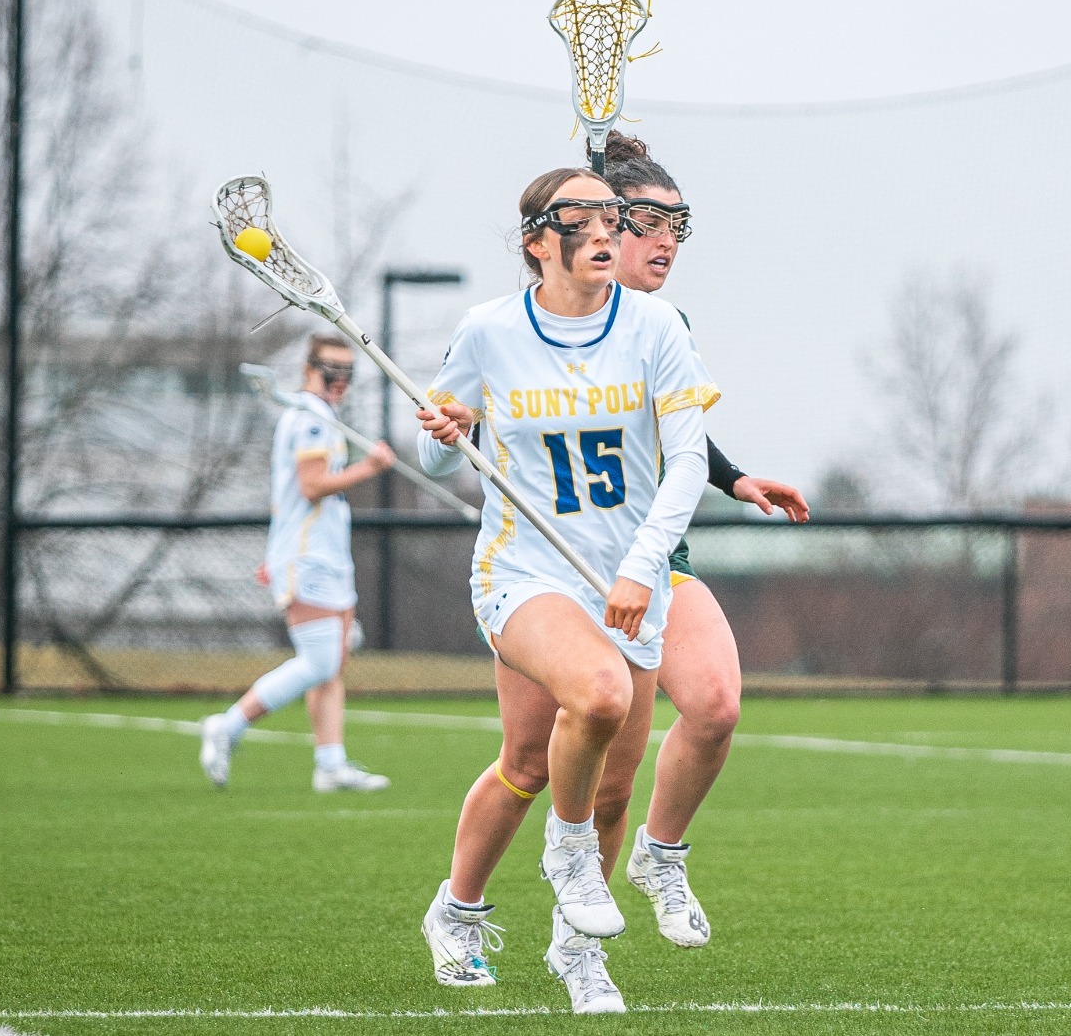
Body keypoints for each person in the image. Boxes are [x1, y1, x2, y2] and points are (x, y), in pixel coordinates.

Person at [488, 132, 808, 957]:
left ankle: (656, 860)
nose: (667, 240)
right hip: (552, 568)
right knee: (526, 765)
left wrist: (733, 479)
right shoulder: (526, 327)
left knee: (715, 706)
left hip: (652, 557)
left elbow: (681, 437)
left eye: (680, 224)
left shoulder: (665, 323)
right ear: (600, 226)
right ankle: (460, 909)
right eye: (649, 221)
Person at [413, 167, 717, 1014]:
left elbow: (689, 460)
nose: (604, 232)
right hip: (524, 573)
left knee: (593, 780)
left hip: (627, 575)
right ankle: (560, 859)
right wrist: (447, 431)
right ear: (537, 242)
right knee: (597, 694)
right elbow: (441, 453)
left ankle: (570, 950)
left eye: (612, 217)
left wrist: (641, 566)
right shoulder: (487, 332)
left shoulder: (656, 326)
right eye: (581, 219)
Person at [198, 335, 397, 791]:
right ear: (310, 370)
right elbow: (311, 486)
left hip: (325, 554)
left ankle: (330, 764)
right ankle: (228, 724)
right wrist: (370, 467)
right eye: (332, 372)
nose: (340, 382)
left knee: (334, 661)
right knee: (320, 662)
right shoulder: (309, 419)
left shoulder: (320, 416)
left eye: (348, 373)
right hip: (309, 557)